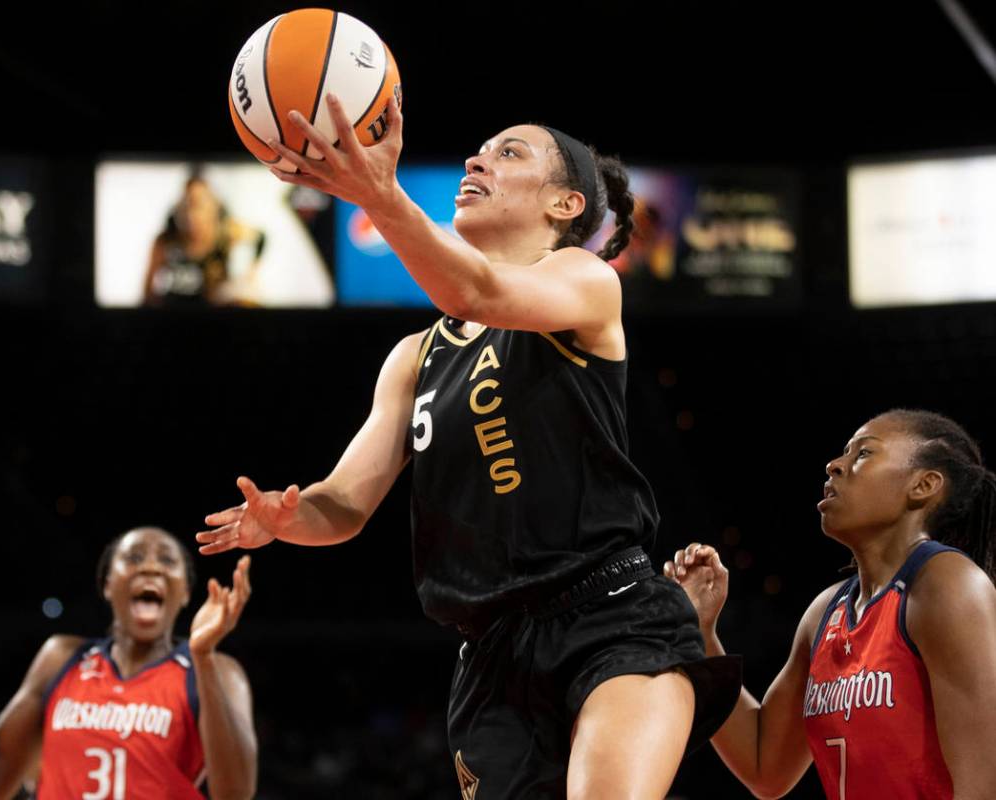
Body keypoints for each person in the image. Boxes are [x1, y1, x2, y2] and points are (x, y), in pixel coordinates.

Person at [196, 92, 740, 798]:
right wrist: (286, 518)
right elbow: (344, 504)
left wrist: (380, 196)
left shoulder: (585, 281)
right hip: (493, 657)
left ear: (566, 206)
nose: (476, 158)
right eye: (480, 148)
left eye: (509, 152)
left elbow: (478, 292)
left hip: (613, 616)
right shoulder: (413, 357)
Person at [664, 409, 996, 799]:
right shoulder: (826, 611)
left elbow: (983, 784)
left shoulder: (948, 584)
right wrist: (701, 633)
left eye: (863, 454)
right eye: (844, 453)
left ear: (923, 485)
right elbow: (763, 764)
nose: (834, 465)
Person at [0, 527, 257, 800]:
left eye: (167, 561)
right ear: (108, 584)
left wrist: (203, 656)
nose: (151, 566)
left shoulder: (216, 670)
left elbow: (237, 792)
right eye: (134, 557)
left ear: (183, 592)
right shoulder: (62, 658)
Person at [143, 172, 265, 307]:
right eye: (187, 204)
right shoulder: (166, 240)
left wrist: (251, 273)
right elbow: (147, 290)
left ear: (213, 207)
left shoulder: (226, 232)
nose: (192, 214)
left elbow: (261, 237)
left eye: (199, 205)